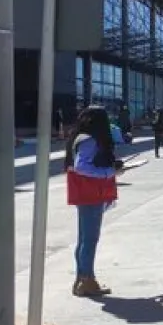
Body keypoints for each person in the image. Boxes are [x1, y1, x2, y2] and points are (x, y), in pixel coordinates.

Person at [64, 106, 121, 297]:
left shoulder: (80, 136)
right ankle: (86, 280)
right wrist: (108, 172)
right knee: (89, 239)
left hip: (85, 193)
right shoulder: (90, 140)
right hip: (91, 193)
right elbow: (82, 166)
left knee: (84, 239)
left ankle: (84, 279)